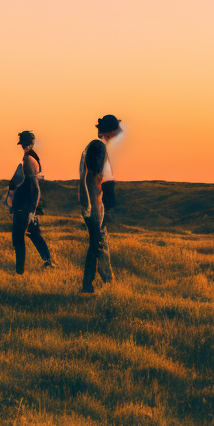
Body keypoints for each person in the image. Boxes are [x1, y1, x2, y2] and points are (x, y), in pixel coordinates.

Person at [78, 114, 123, 293]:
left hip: (96, 204)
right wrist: (92, 206)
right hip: (94, 205)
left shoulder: (96, 147)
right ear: (110, 132)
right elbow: (92, 178)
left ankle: (104, 282)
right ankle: (90, 285)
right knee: (96, 244)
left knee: (99, 243)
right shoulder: (98, 147)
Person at [4, 130, 53, 274]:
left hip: (24, 207)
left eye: (25, 145)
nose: (24, 147)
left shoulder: (28, 161)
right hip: (29, 206)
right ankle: (48, 261)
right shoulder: (32, 159)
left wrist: (31, 210)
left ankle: (19, 272)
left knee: (18, 239)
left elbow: (34, 188)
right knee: (34, 233)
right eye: (24, 145)